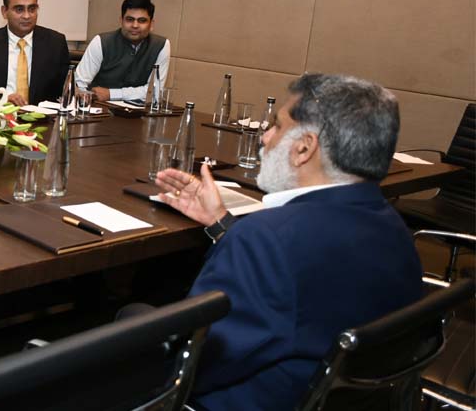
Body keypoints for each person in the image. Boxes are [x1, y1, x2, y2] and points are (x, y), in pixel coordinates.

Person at [148, 73, 422, 411]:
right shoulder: (394, 226)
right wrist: (221, 222)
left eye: (276, 126)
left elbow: (189, 368)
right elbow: (304, 285)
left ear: (304, 148)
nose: (264, 137)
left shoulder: (265, 238)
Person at [0, 0, 70, 106]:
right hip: (0, 113)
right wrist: (2, 99)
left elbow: (65, 90)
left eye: (32, 9)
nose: (27, 16)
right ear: (4, 11)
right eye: (19, 9)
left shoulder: (56, 43)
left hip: (44, 115)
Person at [74, 0, 169, 103]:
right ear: (121, 21)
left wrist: (111, 94)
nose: (135, 25)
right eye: (130, 19)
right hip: (99, 108)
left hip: (139, 111)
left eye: (142, 21)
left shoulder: (161, 45)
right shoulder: (101, 41)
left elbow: (155, 92)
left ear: (151, 24)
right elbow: (78, 84)